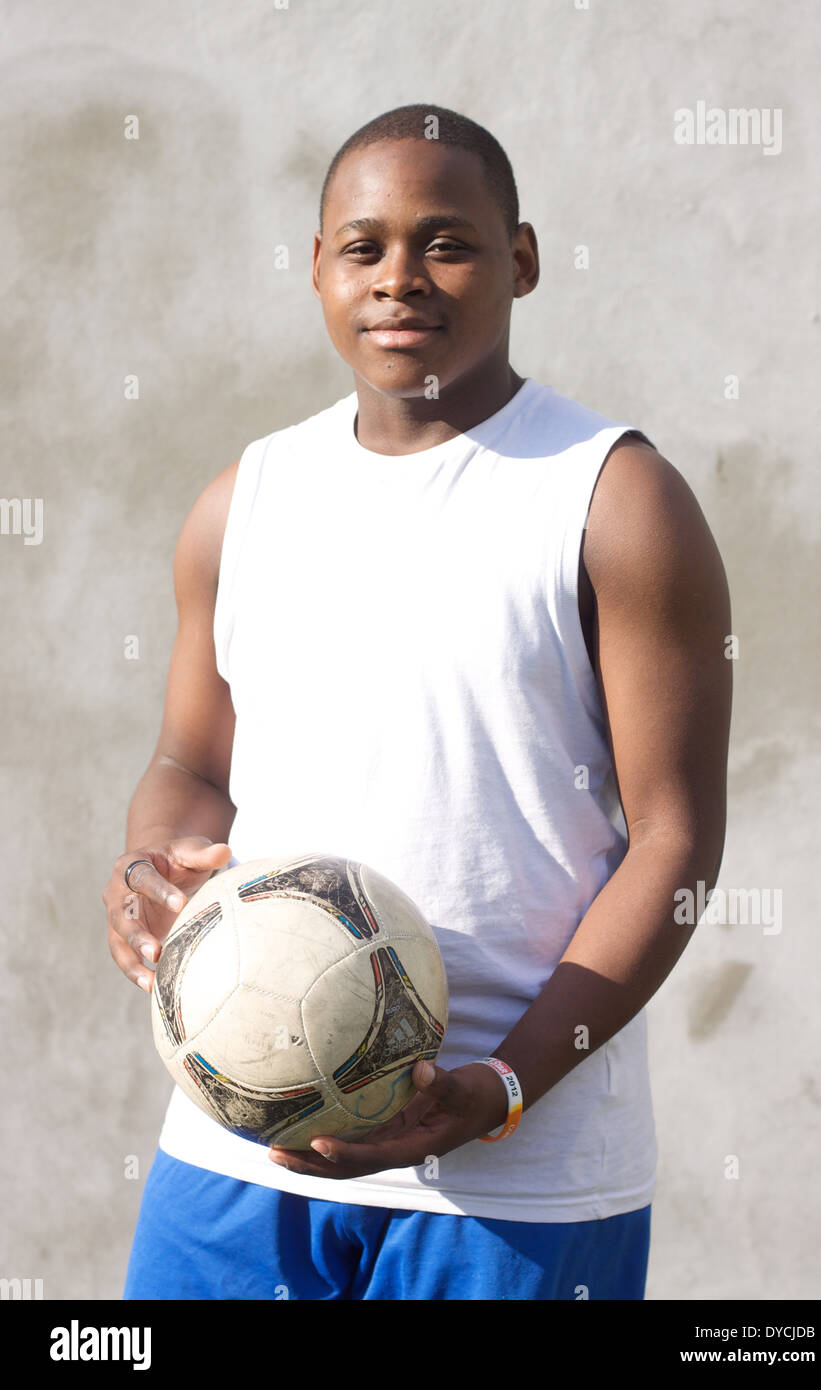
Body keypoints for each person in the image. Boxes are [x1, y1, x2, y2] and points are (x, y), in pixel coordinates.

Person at [104, 103, 732, 1301]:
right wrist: (153, 863)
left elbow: (677, 843)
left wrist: (497, 1092)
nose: (401, 279)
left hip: (517, 1184)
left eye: (446, 242)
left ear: (523, 260)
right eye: (363, 246)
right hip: (238, 1150)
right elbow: (190, 760)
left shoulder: (612, 498)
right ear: (316, 268)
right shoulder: (245, 500)